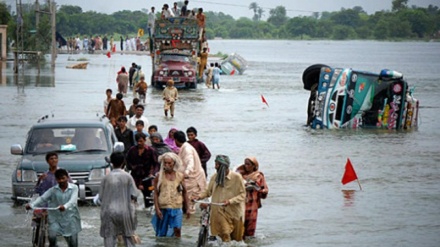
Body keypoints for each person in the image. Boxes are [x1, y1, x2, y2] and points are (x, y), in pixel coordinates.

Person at [194, 155, 246, 243]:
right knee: (225, 234)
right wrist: (198, 196)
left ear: (224, 166)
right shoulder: (214, 177)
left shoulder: (237, 178)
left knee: (237, 239)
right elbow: (208, 191)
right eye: (215, 164)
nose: (215, 167)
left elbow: (242, 194)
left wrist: (230, 201)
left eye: (217, 165)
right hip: (219, 211)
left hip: (234, 212)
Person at [26, 169, 82, 247]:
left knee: (73, 243)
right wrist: (31, 205)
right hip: (55, 218)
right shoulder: (53, 190)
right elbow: (42, 198)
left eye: (63, 178)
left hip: (70, 218)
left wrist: (65, 206)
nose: (61, 181)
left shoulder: (74, 188)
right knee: (52, 236)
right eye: (59, 179)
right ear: (56, 179)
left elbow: (73, 201)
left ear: (67, 178)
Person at [97, 152, 139, 247]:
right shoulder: (128, 176)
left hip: (108, 211)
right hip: (124, 211)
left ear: (111, 162)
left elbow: (100, 197)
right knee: (128, 237)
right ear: (123, 162)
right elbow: (134, 195)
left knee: (109, 238)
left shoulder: (106, 178)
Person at [151, 152, 190, 237]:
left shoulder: (180, 176)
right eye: (165, 163)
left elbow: (185, 192)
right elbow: (156, 194)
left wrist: (188, 208)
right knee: (162, 232)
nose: (167, 165)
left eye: (169, 163)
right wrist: (157, 209)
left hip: (177, 207)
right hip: (163, 207)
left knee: (177, 229)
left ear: (174, 163)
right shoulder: (159, 176)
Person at [173, 130, 206, 214]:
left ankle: (190, 222)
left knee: (190, 202)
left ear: (176, 140)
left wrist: (186, 173)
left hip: (192, 178)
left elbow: (190, 162)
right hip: (189, 178)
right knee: (185, 200)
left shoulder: (187, 149)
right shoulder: (185, 147)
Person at [236, 157, 269, 239]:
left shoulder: (259, 176)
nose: (246, 166)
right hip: (240, 203)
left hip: (252, 205)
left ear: (254, 166)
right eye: (245, 164)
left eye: (248, 164)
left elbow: (264, 189)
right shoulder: (240, 175)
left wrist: (261, 190)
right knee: (239, 228)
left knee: (250, 230)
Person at [126, 133, 159, 208]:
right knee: (132, 196)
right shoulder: (132, 150)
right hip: (135, 176)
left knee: (148, 196)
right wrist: (132, 167)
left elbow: (156, 164)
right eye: (137, 141)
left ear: (145, 140)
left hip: (147, 177)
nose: (139, 143)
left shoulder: (151, 151)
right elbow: (127, 161)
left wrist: (152, 173)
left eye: (141, 141)